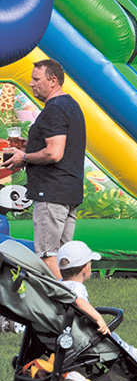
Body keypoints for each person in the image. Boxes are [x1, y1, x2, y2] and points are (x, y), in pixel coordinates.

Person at [2, 59, 86, 278]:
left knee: (48, 256)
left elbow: (54, 153)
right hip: (69, 191)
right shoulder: (70, 105)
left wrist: (24, 157)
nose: (31, 83)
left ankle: (66, 305)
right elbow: (61, 146)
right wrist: (28, 145)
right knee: (64, 258)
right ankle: (73, 303)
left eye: (36, 79)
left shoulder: (54, 109)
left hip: (51, 193)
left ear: (53, 80)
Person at [57, 241, 137, 369]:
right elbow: (78, 301)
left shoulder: (58, 285)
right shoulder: (76, 287)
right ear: (85, 269)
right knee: (112, 338)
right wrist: (98, 318)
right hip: (81, 334)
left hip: (66, 330)